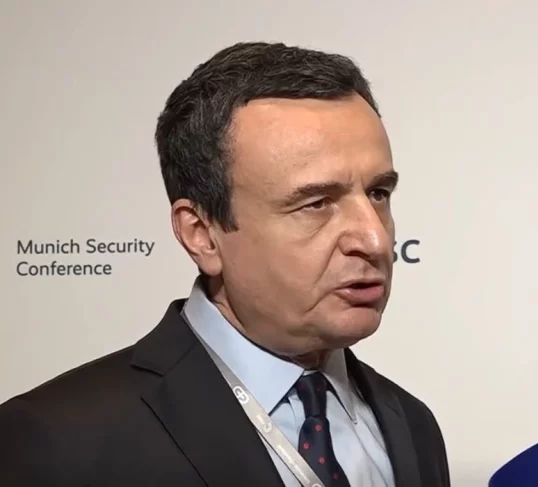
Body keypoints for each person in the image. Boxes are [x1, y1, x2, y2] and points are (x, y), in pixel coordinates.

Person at [0, 42, 451, 487]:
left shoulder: (412, 425)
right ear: (201, 233)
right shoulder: (61, 442)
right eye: (316, 203)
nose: (375, 239)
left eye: (378, 193)